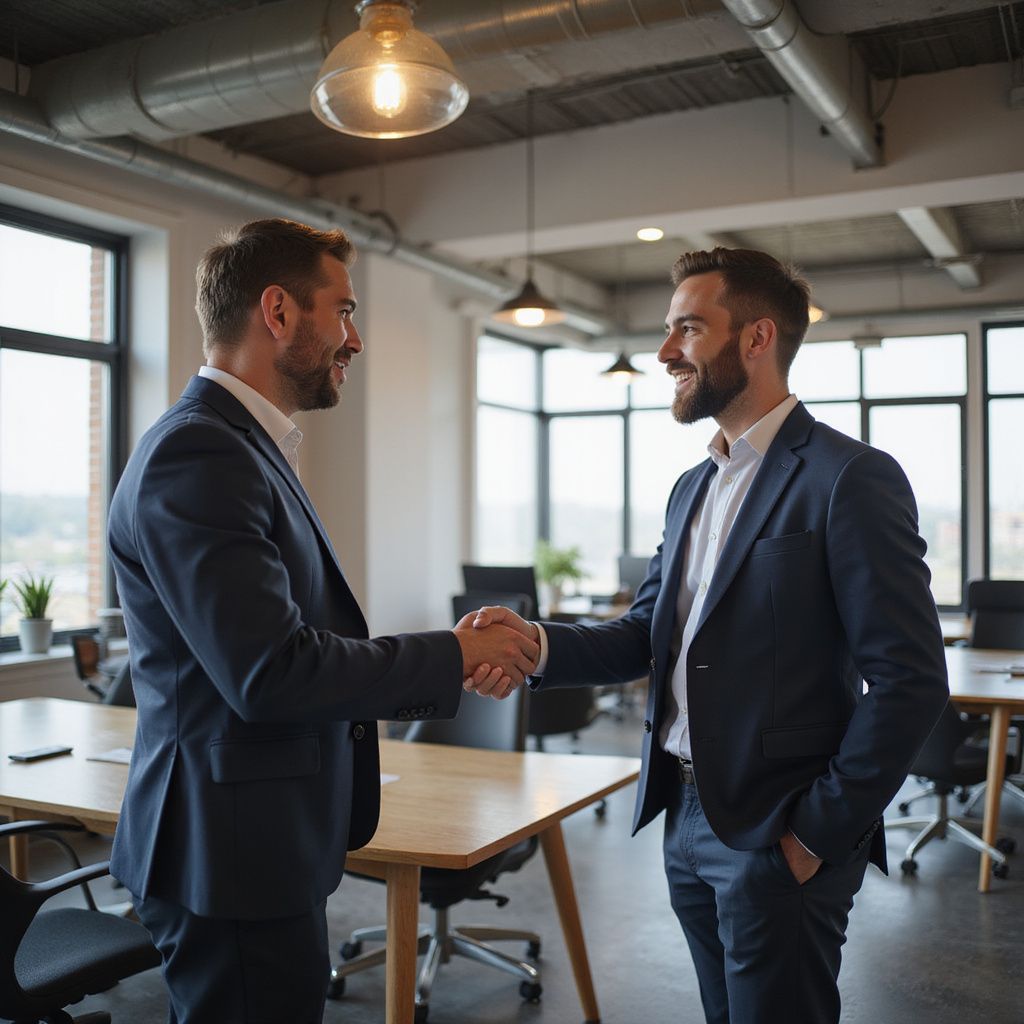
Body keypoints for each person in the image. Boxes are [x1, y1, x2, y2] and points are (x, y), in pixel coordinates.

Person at [469, 248, 949, 1023]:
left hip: (780, 830)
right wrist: (535, 644)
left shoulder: (848, 477)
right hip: (685, 816)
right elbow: (644, 636)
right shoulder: (693, 486)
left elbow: (910, 679)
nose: (665, 353)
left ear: (756, 339)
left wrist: (815, 835)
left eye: (687, 329)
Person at [107, 218, 537, 1024]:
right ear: (278, 313)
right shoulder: (199, 456)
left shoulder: (246, 447)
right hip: (227, 854)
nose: (356, 338)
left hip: (251, 843)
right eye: (342, 310)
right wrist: (451, 654)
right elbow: (272, 672)